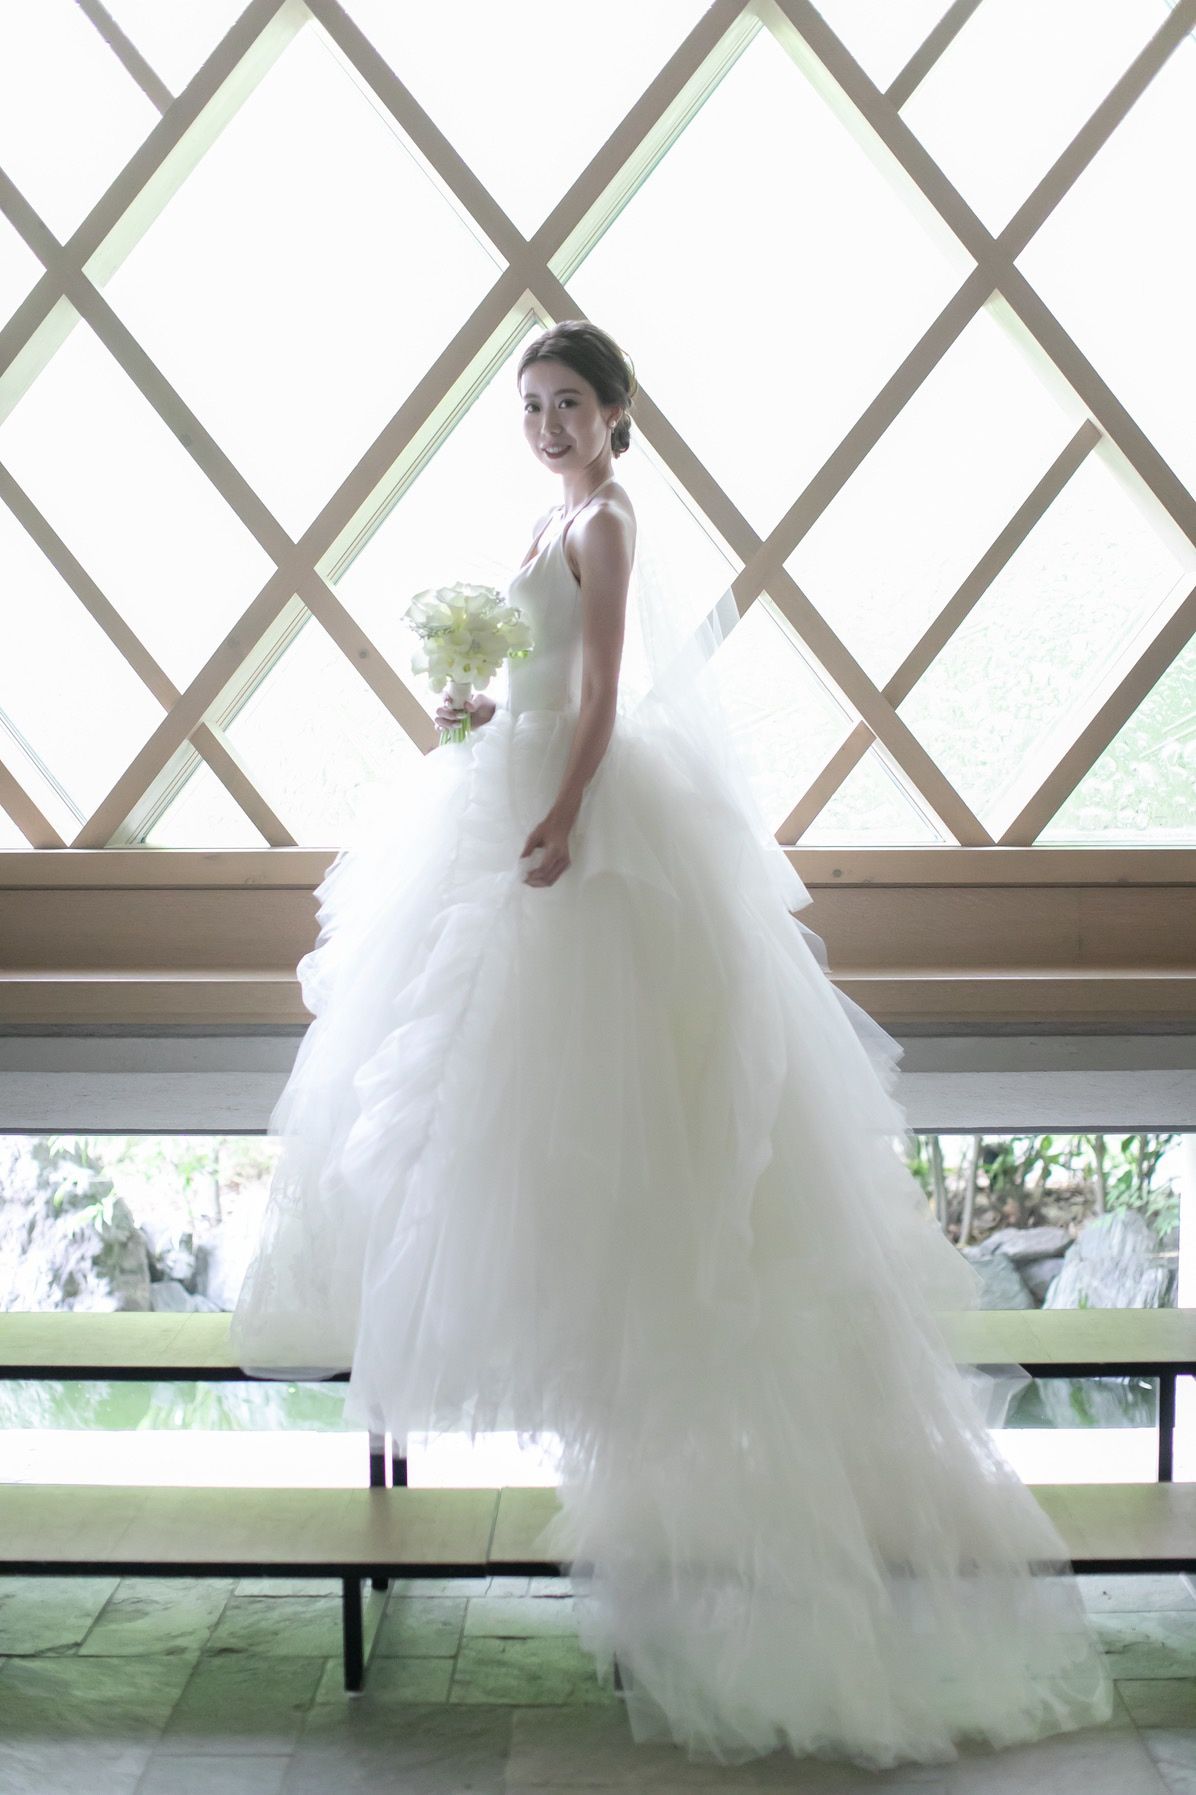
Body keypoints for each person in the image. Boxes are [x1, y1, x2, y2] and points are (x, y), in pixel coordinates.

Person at [230, 319, 1116, 1769]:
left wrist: (566, 812)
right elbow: (537, 675)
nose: (548, 424)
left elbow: (599, 690)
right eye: (532, 404)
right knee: (481, 1087)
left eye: (569, 403)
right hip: (513, 786)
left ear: (617, 411)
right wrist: (473, 713)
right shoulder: (548, 515)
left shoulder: (610, 520)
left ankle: (700, 1510)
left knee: (611, 1095)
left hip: (580, 810)